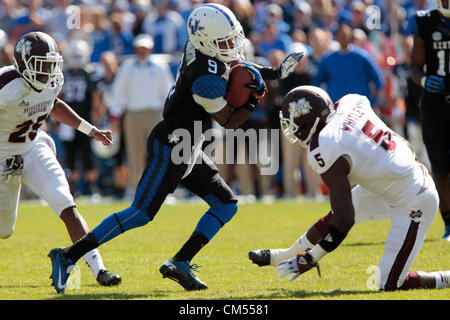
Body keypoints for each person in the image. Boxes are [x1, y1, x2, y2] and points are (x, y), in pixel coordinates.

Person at [48, 3, 303, 294]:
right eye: (224, 42)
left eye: (232, 38)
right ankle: (68, 256)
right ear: (207, 42)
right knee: (141, 212)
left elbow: (233, 66)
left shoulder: (202, 48)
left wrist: (273, 72)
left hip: (189, 141)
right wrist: (254, 98)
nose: (232, 46)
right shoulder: (205, 79)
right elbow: (229, 121)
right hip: (172, 141)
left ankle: (180, 262)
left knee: (226, 203)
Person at [249, 86, 449, 291]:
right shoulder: (350, 102)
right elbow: (404, 144)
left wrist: (312, 258)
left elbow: (346, 218)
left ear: (307, 121)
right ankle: (283, 255)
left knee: (387, 283)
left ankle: (447, 278)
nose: (292, 130)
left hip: (413, 202)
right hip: (390, 184)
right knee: (334, 214)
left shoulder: (324, 145)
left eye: (293, 123)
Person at [0, 31, 121, 288]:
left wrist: (91, 130)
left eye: (51, 66)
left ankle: (100, 270)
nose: (47, 73)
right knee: (4, 230)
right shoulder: (6, 85)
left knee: (66, 203)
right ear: (23, 63)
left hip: (33, 147)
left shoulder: (53, 80)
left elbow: (54, 105)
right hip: (2, 156)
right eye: (41, 67)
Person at [407, 1, 450, 241]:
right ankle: (449, 224)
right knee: (440, 166)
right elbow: (415, 66)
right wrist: (424, 82)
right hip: (435, 104)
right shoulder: (425, 20)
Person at [110, 33, 174, 193]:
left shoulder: (160, 66)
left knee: (159, 153)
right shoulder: (127, 67)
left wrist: (169, 116)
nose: (142, 51)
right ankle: (135, 190)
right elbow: (118, 92)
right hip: (133, 114)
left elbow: (168, 92)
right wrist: (115, 115)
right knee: (135, 154)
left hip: (155, 114)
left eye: (145, 48)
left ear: (150, 49)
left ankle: (161, 190)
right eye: (140, 48)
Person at [58, 39, 98, 197]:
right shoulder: (66, 73)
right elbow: (58, 96)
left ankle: (88, 189)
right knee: (72, 155)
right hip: (69, 120)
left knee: (86, 154)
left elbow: (95, 97)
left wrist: (96, 115)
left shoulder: (88, 73)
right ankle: (75, 189)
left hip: (83, 119)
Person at [312, 23, 385, 105]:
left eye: (346, 35)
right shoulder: (328, 59)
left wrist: (373, 101)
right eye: (341, 35)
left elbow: (378, 79)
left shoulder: (362, 57)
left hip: (358, 108)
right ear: (336, 37)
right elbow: (316, 83)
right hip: (336, 108)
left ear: (350, 37)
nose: (344, 38)